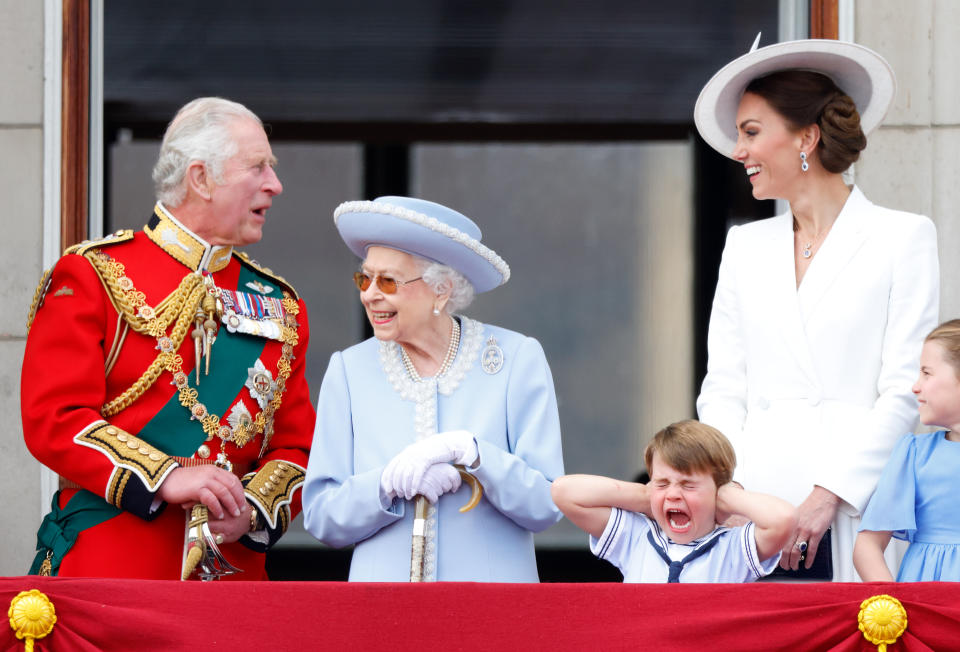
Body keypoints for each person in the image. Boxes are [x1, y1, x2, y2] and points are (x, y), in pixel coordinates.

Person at [21, 97, 315, 580]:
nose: (275, 184)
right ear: (201, 179)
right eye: (258, 167)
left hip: (233, 580)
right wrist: (167, 478)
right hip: (112, 569)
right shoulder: (95, 274)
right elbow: (54, 418)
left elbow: (298, 447)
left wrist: (254, 511)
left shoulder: (281, 304)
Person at [694, 38, 939, 581]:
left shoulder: (903, 237)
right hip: (752, 515)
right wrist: (731, 493)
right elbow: (724, 387)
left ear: (806, 136)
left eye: (751, 132)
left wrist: (831, 493)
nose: (740, 151)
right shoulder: (745, 247)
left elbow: (904, 388)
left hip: (855, 506)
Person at [302, 196, 564, 581]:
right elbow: (322, 517)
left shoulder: (516, 359)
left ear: (440, 290)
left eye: (387, 280)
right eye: (364, 278)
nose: (369, 293)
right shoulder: (349, 370)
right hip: (382, 612)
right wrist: (385, 484)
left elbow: (545, 506)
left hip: (493, 613)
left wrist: (475, 455)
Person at [551, 420, 796, 583]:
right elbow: (564, 492)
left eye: (688, 485)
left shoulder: (732, 549)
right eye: (662, 483)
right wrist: (645, 498)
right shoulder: (636, 538)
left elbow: (783, 519)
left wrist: (726, 496)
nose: (674, 494)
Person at [854, 320, 960, 581]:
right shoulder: (914, 454)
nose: (915, 386)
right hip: (923, 606)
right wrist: (893, 610)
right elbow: (867, 546)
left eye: (926, 373)